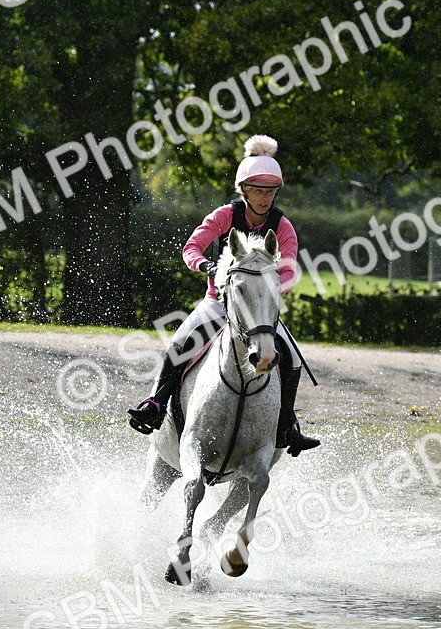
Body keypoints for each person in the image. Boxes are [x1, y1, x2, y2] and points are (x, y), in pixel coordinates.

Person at [127, 135, 320, 457]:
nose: (264, 199)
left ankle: (288, 425)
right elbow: (191, 248)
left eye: (270, 192)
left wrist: (270, 288)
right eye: (257, 191)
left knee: (293, 359)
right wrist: (205, 266)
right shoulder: (223, 216)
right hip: (219, 302)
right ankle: (156, 404)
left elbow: (289, 270)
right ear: (243, 191)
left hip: (258, 310)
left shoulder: (282, 226)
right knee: (180, 344)